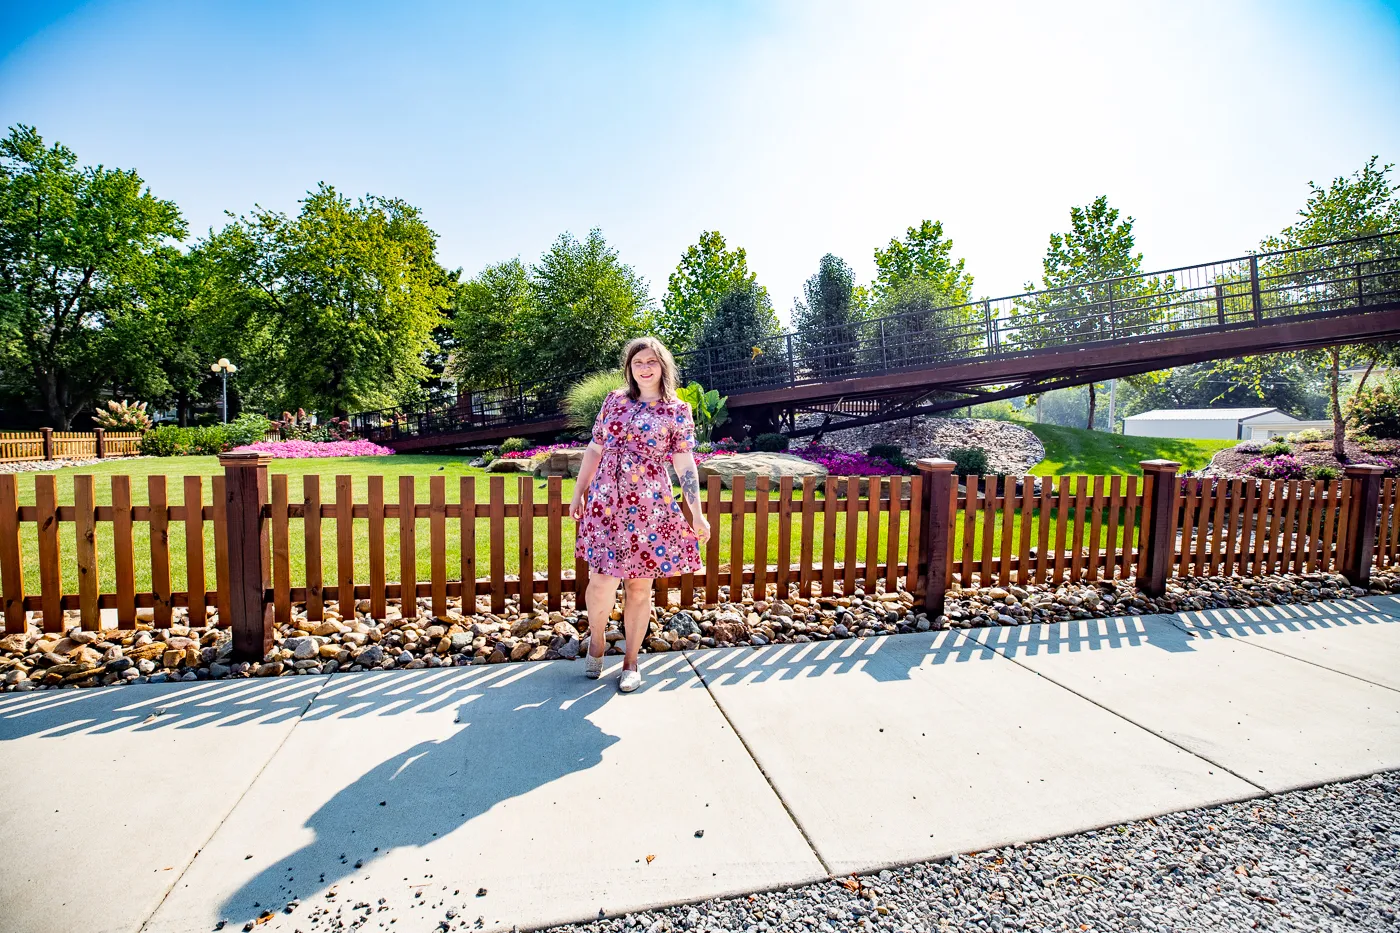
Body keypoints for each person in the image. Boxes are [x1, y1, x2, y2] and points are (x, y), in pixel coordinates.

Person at [569, 337, 710, 692]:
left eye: (651, 362)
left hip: (649, 507)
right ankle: (598, 639)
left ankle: (631, 661)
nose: (644, 368)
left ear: (663, 365)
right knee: (601, 581)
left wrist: (697, 512)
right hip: (605, 502)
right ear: (630, 368)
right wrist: (579, 491)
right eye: (637, 363)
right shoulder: (615, 401)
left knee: (638, 586)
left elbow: (684, 464)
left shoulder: (677, 410)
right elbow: (595, 447)